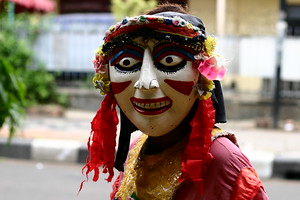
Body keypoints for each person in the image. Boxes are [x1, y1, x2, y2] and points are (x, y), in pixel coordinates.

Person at [81, 3, 269, 200]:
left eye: (169, 60)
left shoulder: (222, 160)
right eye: (126, 63)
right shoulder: (135, 150)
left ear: (202, 76)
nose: (146, 83)